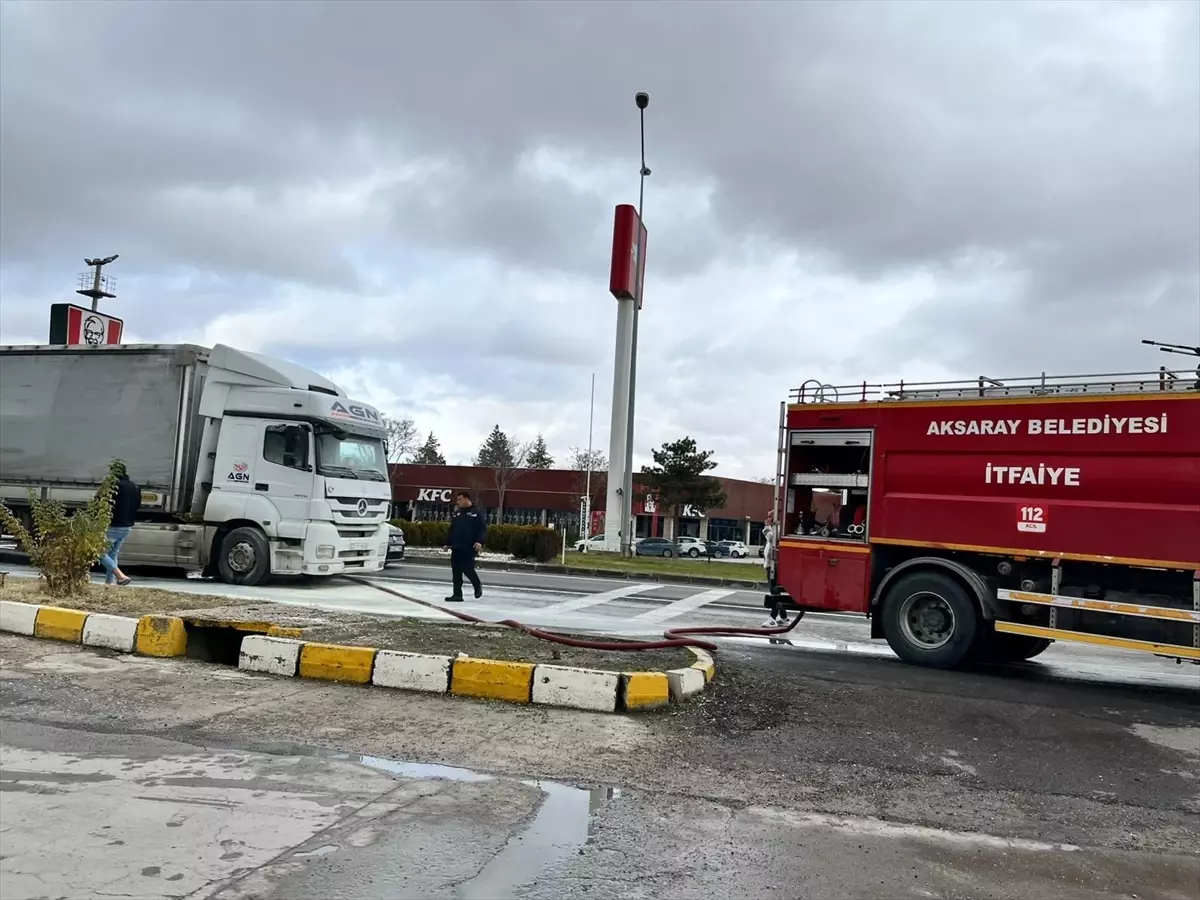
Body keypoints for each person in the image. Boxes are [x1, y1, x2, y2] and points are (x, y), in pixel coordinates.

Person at [100, 464, 140, 586]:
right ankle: (110, 582)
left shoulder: (114, 486)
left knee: (97, 552)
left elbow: (101, 501)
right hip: (126, 526)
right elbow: (137, 506)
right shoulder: (135, 486)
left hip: (112, 524)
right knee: (113, 553)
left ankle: (120, 575)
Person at [444, 490, 486, 602]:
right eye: (457, 500)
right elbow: (452, 529)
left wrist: (479, 541)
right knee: (456, 571)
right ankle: (457, 594)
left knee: (467, 569)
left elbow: (481, 529)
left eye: (460, 499)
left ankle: (477, 585)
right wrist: (448, 543)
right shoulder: (457, 513)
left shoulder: (476, 513)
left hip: (469, 546)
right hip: (457, 546)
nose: (458, 502)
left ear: (467, 499)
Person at [761, 510, 790, 627]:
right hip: (770, 565)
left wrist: (767, 527)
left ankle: (773, 618)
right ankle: (784, 617)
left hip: (775, 566)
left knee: (774, 593)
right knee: (775, 592)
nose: (768, 518)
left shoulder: (777, 528)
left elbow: (771, 537)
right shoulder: (775, 527)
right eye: (768, 516)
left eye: (770, 516)